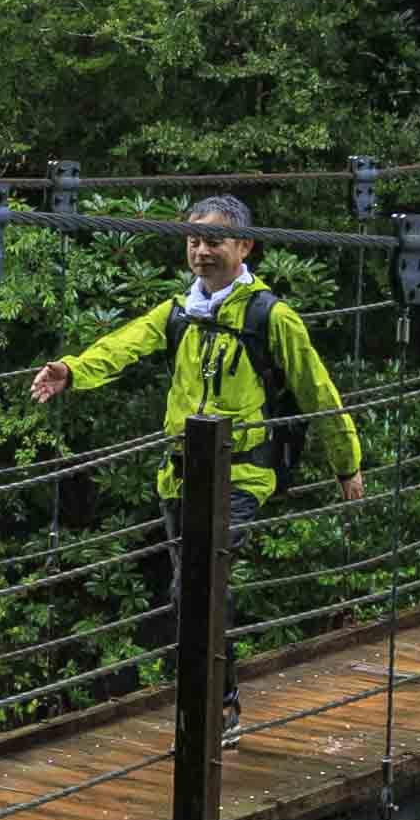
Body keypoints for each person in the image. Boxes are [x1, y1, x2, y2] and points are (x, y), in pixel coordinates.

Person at [29, 194, 360, 702]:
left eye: (214, 241)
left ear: (244, 246)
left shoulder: (271, 316)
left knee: (197, 585)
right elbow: (125, 343)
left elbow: (318, 390)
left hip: (242, 475)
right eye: (193, 241)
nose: (201, 251)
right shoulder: (180, 312)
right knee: (192, 591)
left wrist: (347, 464)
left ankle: (213, 705)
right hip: (179, 476)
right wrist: (72, 370)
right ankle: (211, 700)